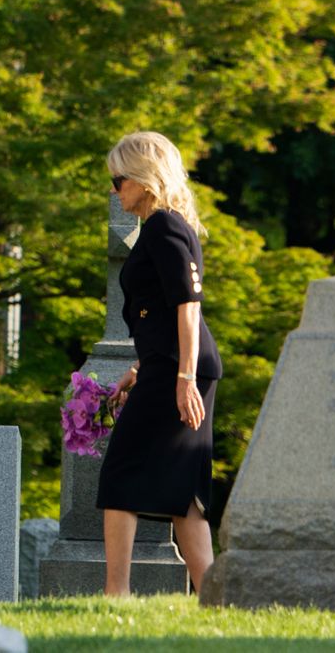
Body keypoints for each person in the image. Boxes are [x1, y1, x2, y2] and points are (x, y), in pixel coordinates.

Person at [96, 131, 222, 596]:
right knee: (184, 494)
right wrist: (139, 369)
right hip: (171, 364)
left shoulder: (165, 226)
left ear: (146, 179)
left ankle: (116, 594)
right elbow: (162, 315)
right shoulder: (161, 226)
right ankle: (215, 599)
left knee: (120, 474)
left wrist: (182, 377)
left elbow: (188, 305)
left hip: (180, 369)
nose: (114, 190)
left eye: (119, 179)